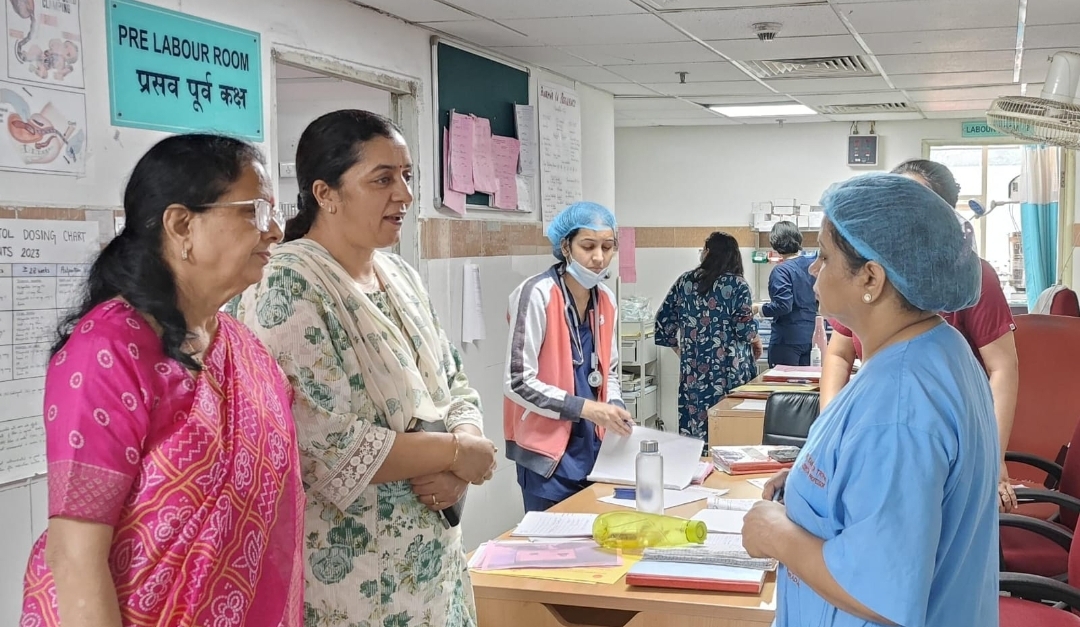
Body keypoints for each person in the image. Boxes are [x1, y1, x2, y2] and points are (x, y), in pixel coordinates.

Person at [21, 134, 305, 627]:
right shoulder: (107, 350)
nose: (276, 231)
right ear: (181, 225)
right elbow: (75, 556)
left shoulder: (243, 348)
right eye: (255, 212)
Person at [231, 110, 496, 627]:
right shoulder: (286, 283)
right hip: (353, 583)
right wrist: (456, 452)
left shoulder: (399, 274)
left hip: (432, 573)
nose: (405, 195)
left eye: (407, 176)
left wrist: (462, 453)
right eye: (382, 179)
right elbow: (321, 444)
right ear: (325, 193)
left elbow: (453, 382)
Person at [741, 173, 999, 627]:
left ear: (872, 278)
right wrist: (810, 482)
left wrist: (775, 534)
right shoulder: (937, 347)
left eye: (824, 256)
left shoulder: (900, 405)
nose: (812, 270)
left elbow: (880, 593)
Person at [820, 158, 1019, 512]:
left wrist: (992, 460)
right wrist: (829, 437)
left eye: (824, 257)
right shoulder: (902, 345)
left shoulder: (908, 393)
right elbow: (838, 353)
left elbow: (1003, 368)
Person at [504, 202, 633, 513]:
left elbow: (610, 371)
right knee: (552, 540)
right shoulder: (537, 294)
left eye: (607, 247)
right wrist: (587, 408)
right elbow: (518, 381)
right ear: (566, 247)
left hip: (596, 450)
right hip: (547, 457)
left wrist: (614, 406)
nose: (599, 257)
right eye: (588, 246)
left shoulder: (606, 299)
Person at [654, 231, 762, 440]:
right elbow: (744, 329)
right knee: (732, 425)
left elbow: (663, 321)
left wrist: (681, 351)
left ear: (709, 252)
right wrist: (757, 341)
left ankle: (698, 459)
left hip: (695, 371)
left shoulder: (685, 282)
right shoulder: (737, 285)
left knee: (696, 425)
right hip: (730, 369)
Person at [752, 221, 818, 366]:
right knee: (806, 379)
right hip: (810, 337)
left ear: (775, 243)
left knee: (782, 379)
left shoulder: (782, 271)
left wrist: (759, 309)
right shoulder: (812, 266)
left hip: (787, 340)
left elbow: (783, 305)